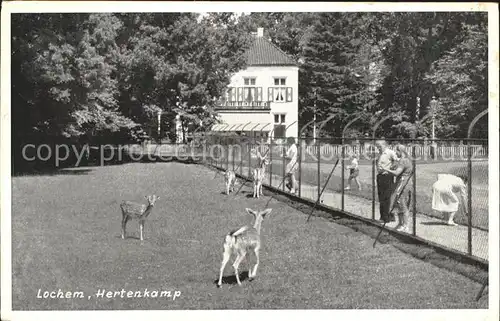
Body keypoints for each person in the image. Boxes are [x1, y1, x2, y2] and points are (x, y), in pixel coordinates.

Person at [385, 144, 412, 232]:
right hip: (403, 183)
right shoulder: (406, 160)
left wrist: (386, 169)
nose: (395, 153)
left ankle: (406, 225)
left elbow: (397, 173)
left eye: (396, 151)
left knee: (402, 204)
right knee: (399, 204)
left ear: (400, 151)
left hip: (403, 183)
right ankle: (400, 224)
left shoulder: (403, 161)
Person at [375, 140, 399, 223]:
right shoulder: (380, 153)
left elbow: (397, 162)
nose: (378, 147)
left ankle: (385, 218)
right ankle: (390, 216)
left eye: (379, 146)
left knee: (386, 197)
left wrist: (390, 169)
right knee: (382, 197)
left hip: (387, 176)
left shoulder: (390, 152)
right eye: (377, 146)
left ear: (385, 145)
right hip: (380, 176)